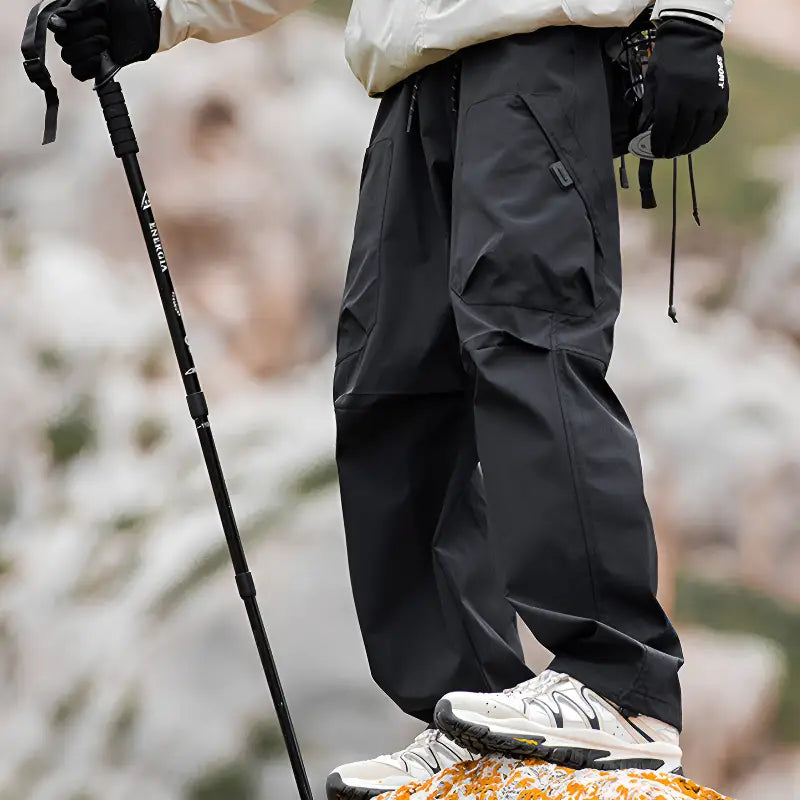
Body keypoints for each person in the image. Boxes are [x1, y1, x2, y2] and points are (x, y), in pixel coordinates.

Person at [52, 0, 733, 797]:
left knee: (530, 345)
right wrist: (156, 12)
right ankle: (473, 712)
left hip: (537, 54)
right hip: (410, 78)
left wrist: (694, 15)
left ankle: (620, 684)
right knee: (387, 389)